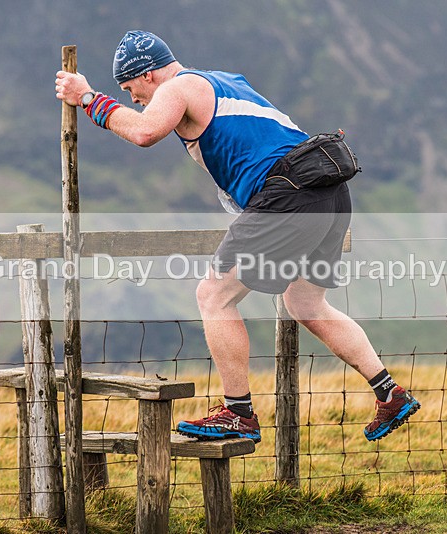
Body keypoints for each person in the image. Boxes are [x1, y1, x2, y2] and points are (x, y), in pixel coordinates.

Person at [55, 30, 420, 442]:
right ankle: (389, 392)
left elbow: (144, 132)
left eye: (131, 88)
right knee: (304, 301)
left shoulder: (178, 87)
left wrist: (88, 98)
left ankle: (238, 413)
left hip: (288, 191)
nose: (134, 98)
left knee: (214, 295)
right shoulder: (224, 80)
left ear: (150, 74)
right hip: (329, 188)